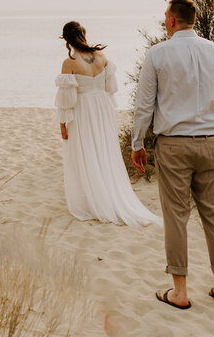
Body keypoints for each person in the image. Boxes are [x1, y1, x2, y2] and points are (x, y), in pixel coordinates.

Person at [131, 0, 214, 310]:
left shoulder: (158, 53)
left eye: (166, 16)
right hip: (212, 142)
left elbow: (144, 104)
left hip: (174, 145)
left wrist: (138, 142)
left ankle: (179, 291)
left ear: (174, 21)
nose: (165, 20)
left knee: (176, 217)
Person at [54, 21, 160, 227]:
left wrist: (63, 125)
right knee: (103, 151)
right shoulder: (102, 58)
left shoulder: (70, 62)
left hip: (83, 110)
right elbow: (110, 89)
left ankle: (92, 200)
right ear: (83, 34)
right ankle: (105, 194)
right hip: (102, 108)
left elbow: (66, 100)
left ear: (66, 39)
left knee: (85, 152)